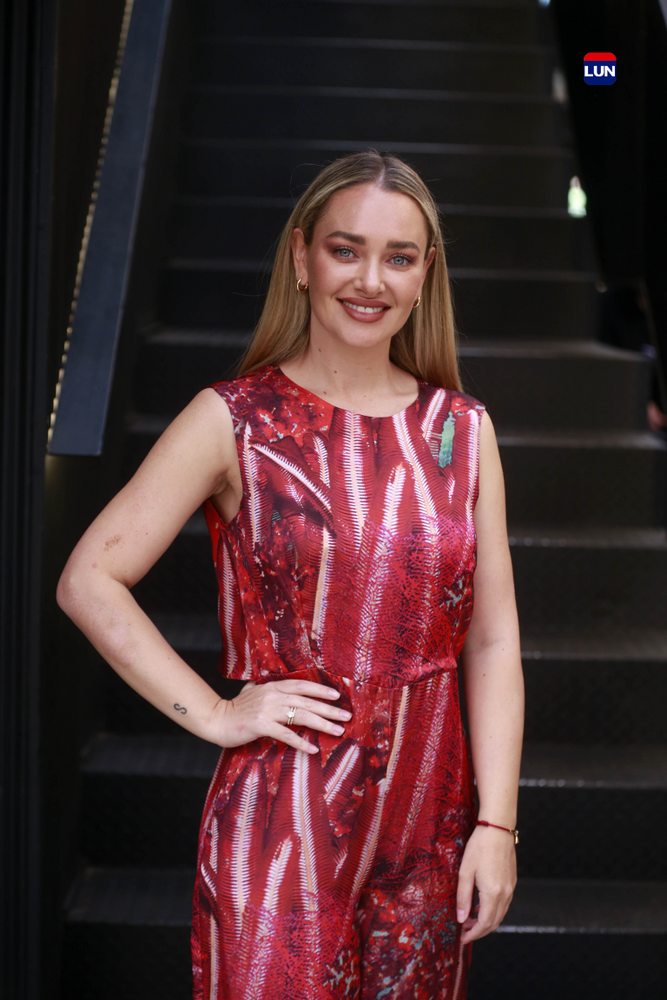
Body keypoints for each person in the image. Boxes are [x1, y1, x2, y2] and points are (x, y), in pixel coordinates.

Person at [56, 150, 524, 999]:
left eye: (398, 257)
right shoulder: (234, 419)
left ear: (424, 275)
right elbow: (89, 577)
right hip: (285, 821)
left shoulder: (461, 430)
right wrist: (213, 712)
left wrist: (497, 824)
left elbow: (490, 642)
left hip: (429, 829)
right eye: (345, 250)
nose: (370, 280)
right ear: (302, 258)